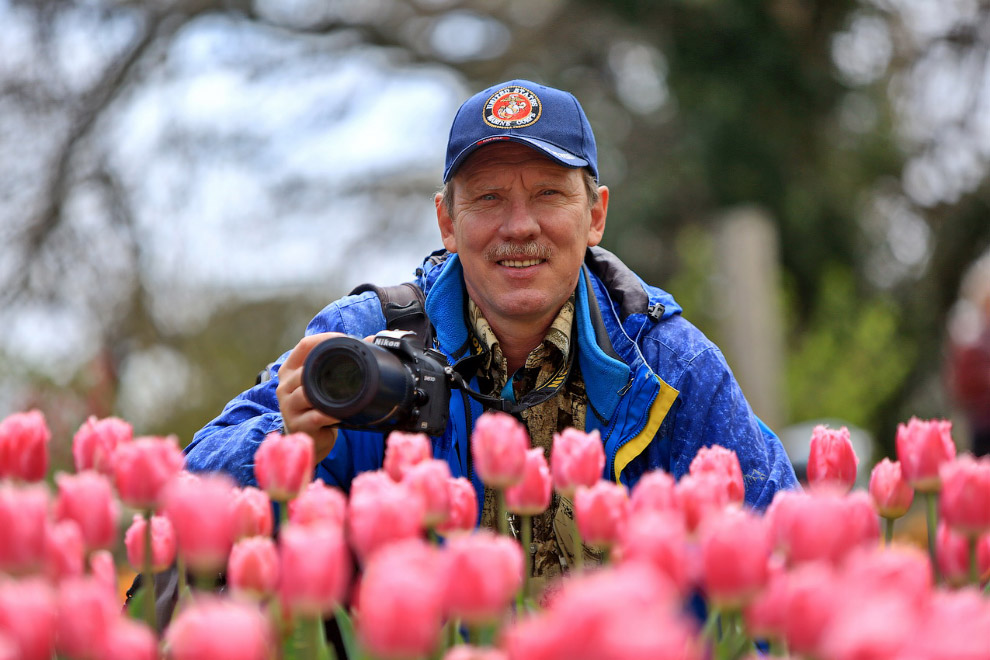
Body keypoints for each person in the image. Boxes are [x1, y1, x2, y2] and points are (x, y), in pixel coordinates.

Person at [185, 79, 798, 577]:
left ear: (596, 215)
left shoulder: (665, 362)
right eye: (488, 198)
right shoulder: (362, 340)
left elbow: (783, 545)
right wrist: (279, 444)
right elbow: (188, 490)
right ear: (446, 222)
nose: (520, 226)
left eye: (550, 194)